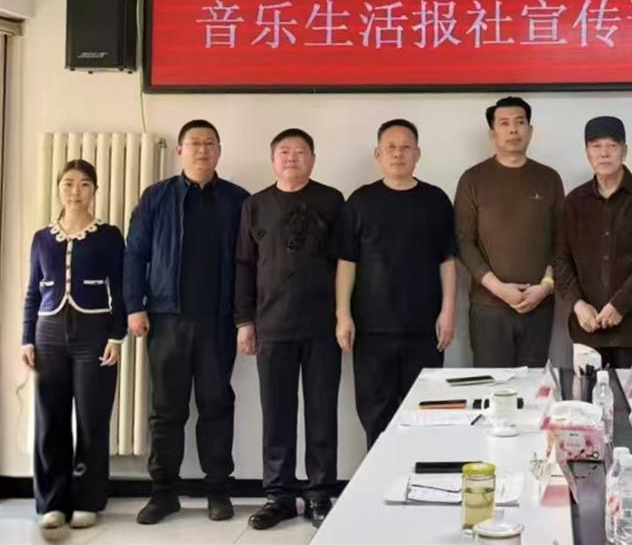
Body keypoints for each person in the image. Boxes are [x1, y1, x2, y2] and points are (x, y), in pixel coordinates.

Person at [124, 119, 249, 525]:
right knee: (166, 409)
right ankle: (164, 494)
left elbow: (249, 263)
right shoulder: (157, 197)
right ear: (180, 151)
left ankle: (218, 490)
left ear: (219, 151)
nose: (202, 149)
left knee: (217, 406)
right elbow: (135, 253)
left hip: (218, 322)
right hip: (166, 320)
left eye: (210, 143)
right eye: (194, 143)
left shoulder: (238, 200)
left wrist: (245, 316)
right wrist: (133, 306)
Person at [235, 129, 344, 529]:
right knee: (277, 414)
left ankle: (319, 494)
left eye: (300, 152)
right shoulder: (255, 205)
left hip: (322, 326)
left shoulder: (332, 201)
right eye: (284, 151)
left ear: (313, 159)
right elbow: (244, 265)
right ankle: (278, 496)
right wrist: (244, 321)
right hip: (272, 324)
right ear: (272, 159)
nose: (292, 158)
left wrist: (344, 316)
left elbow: (346, 264)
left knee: (321, 412)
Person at [336, 119, 457, 447]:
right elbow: (346, 262)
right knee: (376, 417)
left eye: (406, 147)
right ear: (378, 154)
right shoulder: (360, 201)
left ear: (418, 154)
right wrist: (343, 316)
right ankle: (378, 479)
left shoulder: (436, 200)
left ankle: (418, 477)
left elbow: (447, 261)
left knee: (425, 416)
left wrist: (448, 312)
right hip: (372, 330)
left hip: (425, 330)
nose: (398, 154)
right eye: (390, 147)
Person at [21, 160, 124, 531]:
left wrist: (116, 336)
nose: (75, 191)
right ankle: (52, 502)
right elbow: (32, 292)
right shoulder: (41, 238)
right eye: (68, 183)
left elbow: (121, 289)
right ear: (59, 189)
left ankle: (87, 500)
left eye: (84, 184)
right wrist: (26, 339)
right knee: (50, 419)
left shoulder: (109, 236)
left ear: (94, 190)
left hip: (94, 333)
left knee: (92, 419)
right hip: (48, 334)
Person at [454, 97, 564, 367]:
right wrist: (499, 289)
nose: (513, 129)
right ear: (493, 134)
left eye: (520, 122)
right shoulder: (473, 179)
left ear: (530, 130)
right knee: (492, 386)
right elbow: (463, 242)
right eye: (504, 123)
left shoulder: (549, 178)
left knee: (534, 386)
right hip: (489, 307)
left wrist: (546, 287)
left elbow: (561, 241)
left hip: (539, 305)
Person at [554, 116, 632, 368]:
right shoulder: (574, 201)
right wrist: (577, 304)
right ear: (587, 153)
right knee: (586, 393)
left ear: (624, 151)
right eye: (596, 146)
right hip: (588, 328)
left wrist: (620, 305)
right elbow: (561, 259)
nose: (604, 153)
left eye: (612, 146)